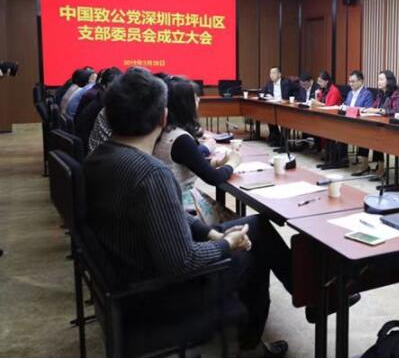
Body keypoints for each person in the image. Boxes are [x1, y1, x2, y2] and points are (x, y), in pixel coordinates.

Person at [83, 68, 293, 356]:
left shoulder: (99, 157)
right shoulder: (151, 174)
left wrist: (209, 232)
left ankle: (306, 294)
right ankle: (252, 344)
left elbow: (167, 216)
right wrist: (226, 244)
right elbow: (183, 262)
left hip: (129, 269)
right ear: (163, 117)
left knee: (258, 225)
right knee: (253, 253)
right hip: (158, 293)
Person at [153, 77, 241, 225]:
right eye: (195, 98)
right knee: (250, 224)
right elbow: (213, 178)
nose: (198, 100)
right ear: (185, 104)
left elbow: (189, 162)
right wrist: (233, 163)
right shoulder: (180, 139)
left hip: (167, 203)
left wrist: (217, 162)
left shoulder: (162, 130)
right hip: (181, 211)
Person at [358, 70, 399, 178]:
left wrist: (380, 111)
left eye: (381, 79)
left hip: (390, 128)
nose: (379, 81)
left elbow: (397, 111)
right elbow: (374, 106)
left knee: (377, 137)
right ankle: (365, 165)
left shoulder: (395, 94)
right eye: (378, 79)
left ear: (389, 81)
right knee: (364, 134)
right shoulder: (380, 93)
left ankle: (381, 168)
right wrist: (366, 110)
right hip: (379, 124)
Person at [75, 67, 122, 151]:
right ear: (105, 85)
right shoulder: (104, 102)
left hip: (86, 144)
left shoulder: (100, 95)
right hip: (90, 149)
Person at [261, 66, 294, 146]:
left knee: (280, 119)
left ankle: (282, 140)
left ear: (279, 74)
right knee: (268, 116)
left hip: (285, 107)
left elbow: (290, 95)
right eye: (270, 73)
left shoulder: (286, 82)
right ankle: (276, 138)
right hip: (273, 106)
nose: (271, 75)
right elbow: (262, 92)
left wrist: (284, 100)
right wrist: (267, 95)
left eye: (274, 73)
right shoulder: (269, 83)